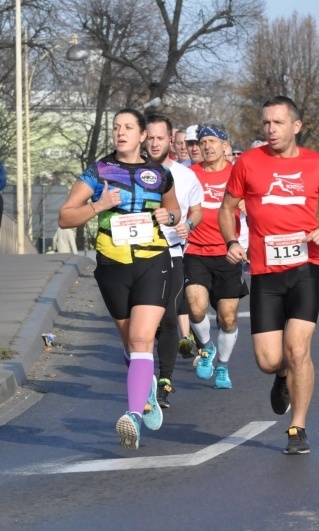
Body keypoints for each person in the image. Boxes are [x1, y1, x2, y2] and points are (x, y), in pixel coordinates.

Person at [220, 96, 319, 455]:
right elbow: (226, 209)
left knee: (298, 349)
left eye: (277, 123)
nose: (270, 130)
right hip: (265, 271)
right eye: (266, 123)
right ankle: (280, 378)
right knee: (268, 360)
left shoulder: (317, 164)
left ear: (296, 126)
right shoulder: (247, 163)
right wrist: (231, 240)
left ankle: (298, 427)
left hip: (306, 267)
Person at [58, 108, 180, 450]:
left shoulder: (159, 174)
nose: (120, 133)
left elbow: (175, 212)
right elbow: (65, 217)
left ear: (143, 135)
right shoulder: (98, 171)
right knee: (131, 344)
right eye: (116, 128)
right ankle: (147, 387)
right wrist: (99, 206)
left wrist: (167, 215)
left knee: (143, 338)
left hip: (153, 260)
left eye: (128, 127)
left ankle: (133, 416)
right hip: (112, 264)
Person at [144, 114, 203, 408]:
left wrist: (188, 226)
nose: (155, 143)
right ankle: (141, 374)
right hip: (136, 255)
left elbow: (197, 211)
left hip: (172, 251)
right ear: (144, 138)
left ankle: (164, 382)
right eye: (150, 138)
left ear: (171, 141)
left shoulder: (185, 175)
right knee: (138, 325)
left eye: (160, 138)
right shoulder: (130, 171)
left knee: (169, 318)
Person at [184, 124, 248, 390]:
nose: (207, 146)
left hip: (228, 253)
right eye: (203, 141)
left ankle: (222, 365)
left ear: (225, 145)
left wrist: (248, 208)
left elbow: (257, 212)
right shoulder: (189, 175)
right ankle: (207, 348)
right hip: (195, 250)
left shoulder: (238, 175)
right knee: (196, 307)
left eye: (213, 141)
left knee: (228, 318)